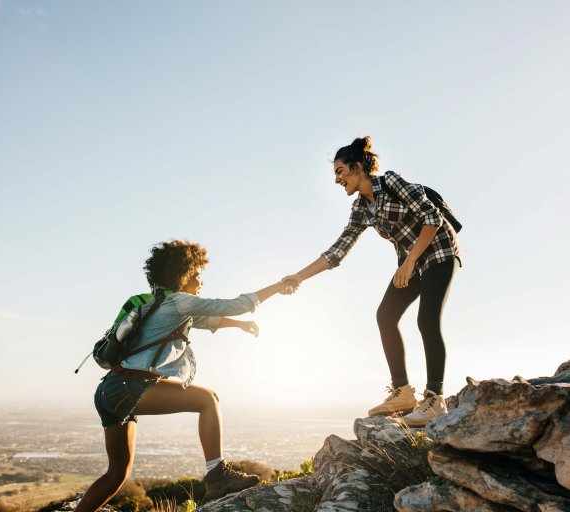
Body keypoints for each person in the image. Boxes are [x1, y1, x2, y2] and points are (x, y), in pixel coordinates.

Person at [75, 240, 291, 512]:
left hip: (109, 392)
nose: (201, 281)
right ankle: (217, 475)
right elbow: (234, 305)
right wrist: (277, 287)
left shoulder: (157, 303)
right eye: (198, 274)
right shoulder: (179, 301)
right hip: (131, 387)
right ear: (185, 274)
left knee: (116, 474)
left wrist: (239, 325)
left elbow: (207, 320)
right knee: (208, 399)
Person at [282, 136, 460, 427]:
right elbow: (337, 252)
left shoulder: (391, 182)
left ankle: (434, 398)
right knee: (385, 315)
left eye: (340, 171)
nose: (337, 179)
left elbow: (433, 218)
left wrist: (409, 261)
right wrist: (298, 277)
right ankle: (402, 392)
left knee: (426, 319)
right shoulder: (361, 209)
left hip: (439, 251)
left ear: (357, 167)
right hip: (411, 263)